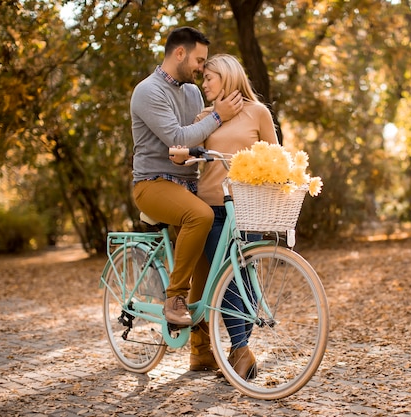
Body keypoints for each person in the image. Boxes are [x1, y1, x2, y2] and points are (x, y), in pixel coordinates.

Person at [130, 27, 243, 372]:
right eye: (198, 60)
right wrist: (218, 115)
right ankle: (173, 297)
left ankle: (200, 351)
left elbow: (208, 134)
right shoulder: (148, 92)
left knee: (205, 268)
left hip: (187, 186)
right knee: (200, 216)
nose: (200, 67)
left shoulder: (193, 93)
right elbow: (179, 138)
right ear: (179, 53)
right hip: (152, 184)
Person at [190, 54, 279, 379]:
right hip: (211, 209)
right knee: (227, 280)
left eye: (209, 77)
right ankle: (240, 353)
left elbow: (276, 157)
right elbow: (184, 151)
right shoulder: (205, 117)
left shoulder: (258, 112)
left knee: (247, 277)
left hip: (249, 209)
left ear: (226, 77)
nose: (204, 83)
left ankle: (237, 351)